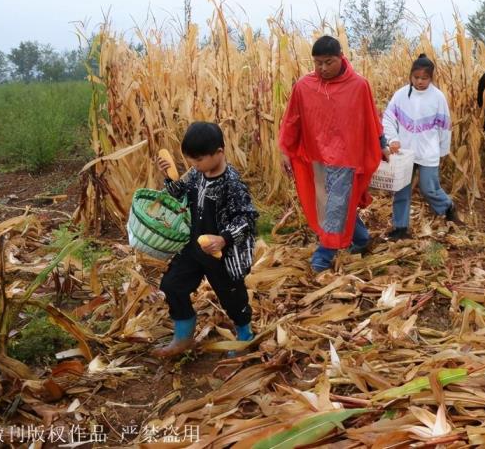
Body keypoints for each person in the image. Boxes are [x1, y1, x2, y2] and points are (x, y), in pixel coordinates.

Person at [279, 35, 385, 273]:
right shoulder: (304, 86)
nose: (323, 68)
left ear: (341, 58)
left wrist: (382, 142)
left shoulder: (358, 85)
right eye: (318, 63)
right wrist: (285, 149)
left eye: (329, 62)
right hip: (316, 156)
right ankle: (360, 238)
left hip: (346, 157)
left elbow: (371, 118)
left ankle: (323, 256)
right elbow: (292, 120)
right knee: (330, 204)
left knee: (334, 205)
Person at [153, 122, 258, 358]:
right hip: (193, 249)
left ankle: (244, 334)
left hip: (222, 256)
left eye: (198, 160)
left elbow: (247, 219)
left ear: (219, 153)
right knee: (172, 285)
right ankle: (183, 336)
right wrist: (168, 177)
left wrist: (223, 239)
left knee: (233, 298)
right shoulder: (197, 175)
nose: (194, 165)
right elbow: (179, 194)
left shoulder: (232, 184)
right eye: (191, 161)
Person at [383, 54, 461, 240]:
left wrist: (442, 151)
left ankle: (447, 206)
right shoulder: (401, 95)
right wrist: (392, 139)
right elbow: (388, 118)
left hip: (428, 153)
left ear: (431, 78)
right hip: (404, 153)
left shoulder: (437, 97)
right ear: (411, 76)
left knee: (429, 188)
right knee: (401, 190)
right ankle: (400, 228)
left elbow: (444, 127)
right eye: (416, 77)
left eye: (424, 78)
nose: (419, 81)